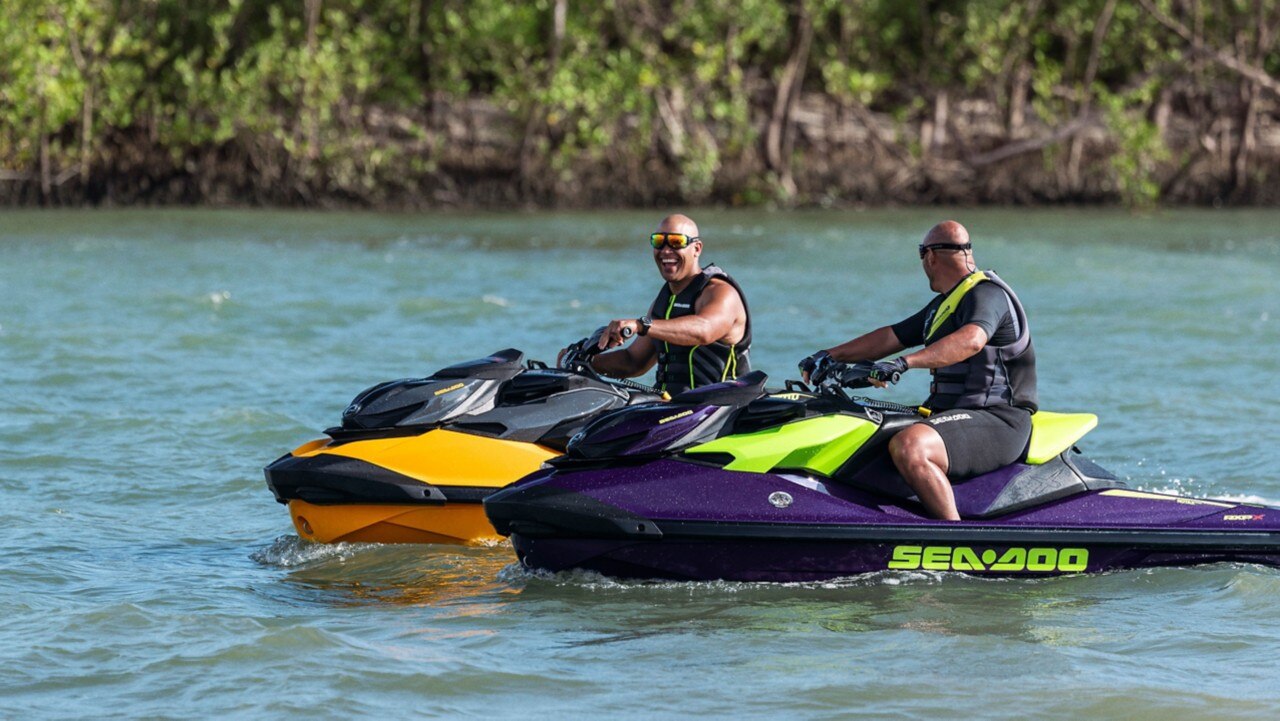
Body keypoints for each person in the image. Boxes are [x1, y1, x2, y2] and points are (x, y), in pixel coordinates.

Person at [799, 221, 1037, 521]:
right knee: (860, 425)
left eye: (920, 254)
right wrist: (830, 355)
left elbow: (972, 340)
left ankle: (954, 541)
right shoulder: (944, 306)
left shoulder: (986, 294)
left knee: (910, 446)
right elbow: (890, 337)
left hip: (998, 419)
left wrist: (903, 364)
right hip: (949, 415)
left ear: (930, 256)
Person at [562, 214, 752, 396]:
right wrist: (583, 362)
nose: (666, 250)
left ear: (697, 248)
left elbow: (704, 330)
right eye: (659, 241)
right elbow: (634, 362)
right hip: (672, 408)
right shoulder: (664, 300)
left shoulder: (720, 292)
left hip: (722, 409)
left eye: (677, 242)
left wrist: (641, 325)